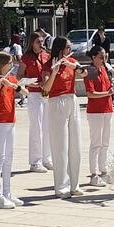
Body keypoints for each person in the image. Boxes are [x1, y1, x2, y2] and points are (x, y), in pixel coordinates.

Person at [41, 35, 87, 198]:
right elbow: (45, 89)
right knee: (60, 146)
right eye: (68, 47)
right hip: (56, 102)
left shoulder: (72, 61)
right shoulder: (48, 65)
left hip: (71, 99)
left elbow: (85, 72)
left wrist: (73, 66)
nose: (70, 50)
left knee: (75, 144)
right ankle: (61, 186)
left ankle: (74, 184)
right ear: (60, 49)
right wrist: (54, 71)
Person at [0, 51, 27, 208]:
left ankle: (7, 192)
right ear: (2, 65)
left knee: (9, 158)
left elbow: (26, 92)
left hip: (11, 121)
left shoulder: (10, 79)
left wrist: (14, 86)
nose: (12, 66)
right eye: (10, 63)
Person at [17, 34, 52, 172]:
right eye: (38, 42)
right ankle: (35, 161)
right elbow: (19, 77)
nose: (41, 44)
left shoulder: (46, 55)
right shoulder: (26, 58)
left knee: (47, 127)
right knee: (36, 127)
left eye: (42, 41)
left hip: (46, 94)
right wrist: (32, 83)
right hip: (34, 94)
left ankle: (46, 158)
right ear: (32, 43)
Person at [84, 45, 114, 187]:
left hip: (107, 109)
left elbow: (107, 89)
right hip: (95, 111)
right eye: (101, 57)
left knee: (105, 143)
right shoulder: (90, 71)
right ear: (93, 57)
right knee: (96, 143)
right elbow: (90, 93)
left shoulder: (105, 69)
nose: (104, 59)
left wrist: (111, 89)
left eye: (105, 56)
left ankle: (103, 171)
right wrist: (107, 93)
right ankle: (94, 174)